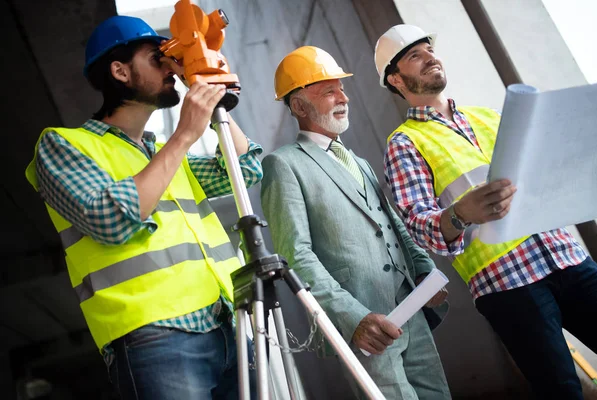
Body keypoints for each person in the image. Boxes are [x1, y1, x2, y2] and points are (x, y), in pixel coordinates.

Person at [25, 15, 260, 400]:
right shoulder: (64, 145)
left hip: (226, 321)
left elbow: (243, 169)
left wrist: (208, 88)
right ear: (119, 71)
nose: (171, 67)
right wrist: (185, 134)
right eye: (158, 58)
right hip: (156, 338)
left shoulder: (161, 153)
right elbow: (112, 220)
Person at [374, 24, 597, 400]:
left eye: (430, 49)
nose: (431, 56)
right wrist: (461, 213)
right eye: (416, 55)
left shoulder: (490, 116)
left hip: (566, 256)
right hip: (508, 285)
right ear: (396, 79)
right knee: (561, 390)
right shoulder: (405, 143)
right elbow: (420, 227)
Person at [260, 45, 451, 400]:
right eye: (328, 90)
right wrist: (353, 318)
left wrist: (424, 271)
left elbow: (394, 225)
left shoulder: (358, 161)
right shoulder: (283, 164)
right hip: (365, 325)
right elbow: (296, 256)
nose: (342, 97)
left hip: (410, 306)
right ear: (300, 106)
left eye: (341, 88)